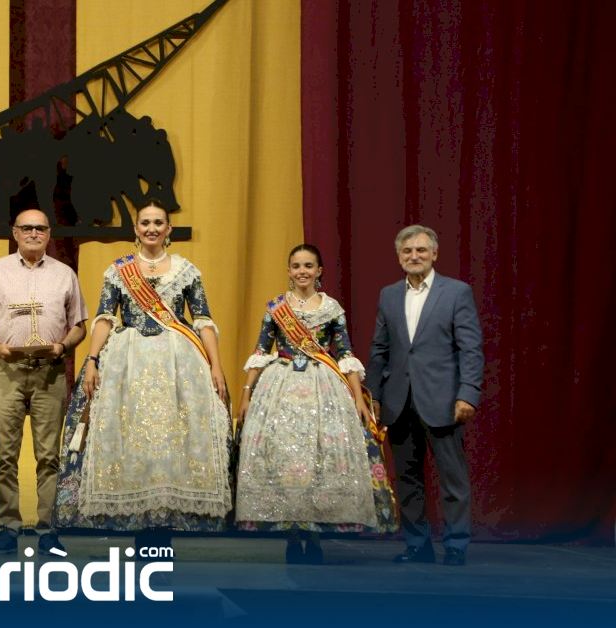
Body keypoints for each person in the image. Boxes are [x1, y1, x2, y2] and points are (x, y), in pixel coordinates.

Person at [54, 201, 232, 552]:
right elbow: (105, 318)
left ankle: (164, 531)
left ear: (168, 229)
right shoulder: (118, 271)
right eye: (145, 223)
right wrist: (92, 359)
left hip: (178, 362)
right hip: (127, 361)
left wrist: (215, 364)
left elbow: (203, 320)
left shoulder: (186, 271)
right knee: (132, 437)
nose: (151, 228)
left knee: (170, 439)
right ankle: (137, 529)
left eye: (158, 223)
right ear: (136, 229)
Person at [235, 244, 397, 564]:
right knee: (287, 459)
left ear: (319, 271)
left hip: (323, 387)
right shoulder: (276, 308)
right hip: (280, 387)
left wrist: (357, 398)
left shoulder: (332, 309)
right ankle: (293, 536)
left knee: (318, 460)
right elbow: (261, 351)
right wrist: (246, 393)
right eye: (296, 266)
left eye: (308, 266)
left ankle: (314, 535)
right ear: (289, 270)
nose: (302, 271)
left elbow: (345, 354)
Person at [0, 208, 87, 555]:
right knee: (5, 455)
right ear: (15, 233)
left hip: (49, 372)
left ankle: (48, 530)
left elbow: (79, 325)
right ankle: (7, 529)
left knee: (49, 456)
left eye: (40, 228)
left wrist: (63, 346)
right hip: (6, 371)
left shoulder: (65, 274)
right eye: (27, 228)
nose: (34, 233)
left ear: (49, 234)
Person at [367, 225, 483, 566]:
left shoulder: (456, 292)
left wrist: (468, 394)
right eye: (407, 251)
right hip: (398, 401)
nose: (414, 256)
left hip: (444, 401)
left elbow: (471, 349)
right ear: (398, 256)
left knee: (452, 478)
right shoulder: (389, 295)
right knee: (407, 479)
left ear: (434, 254)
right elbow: (379, 350)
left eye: (421, 250)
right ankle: (417, 544)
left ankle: (456, 545)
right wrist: (374, 397)